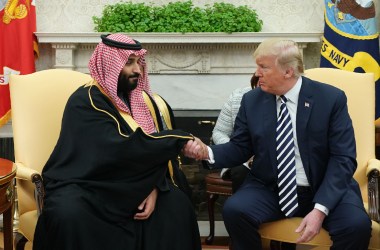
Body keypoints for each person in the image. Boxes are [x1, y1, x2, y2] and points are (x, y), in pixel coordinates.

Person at [183, 38, 372, 250]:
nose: (256, 74)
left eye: (263, 67)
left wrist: (320, 210)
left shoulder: (330, 99)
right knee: (235, 210)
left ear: (288, 72)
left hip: (325, 186)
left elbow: (343, 158)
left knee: (357, 226)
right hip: (271, 187)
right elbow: (240, 147)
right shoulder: (252, 101)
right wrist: (206, 152)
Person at [33, 33, 201, 250]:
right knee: (68, 214)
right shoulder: (85, 102)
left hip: (139, 183)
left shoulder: (147, 103)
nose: (137, 70)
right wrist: (179, 139)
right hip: (88, 185)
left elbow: (154, 156)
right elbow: (120, 150)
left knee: (176, 206)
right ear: (110, 65)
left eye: (139, 62)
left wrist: (154, 187)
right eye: (129, 62)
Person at [213, 74, 258, 192]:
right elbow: (219, 132)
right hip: (241, 162)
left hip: (270, 160)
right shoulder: (238, 96)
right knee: (240, 172)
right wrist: (236, 149)